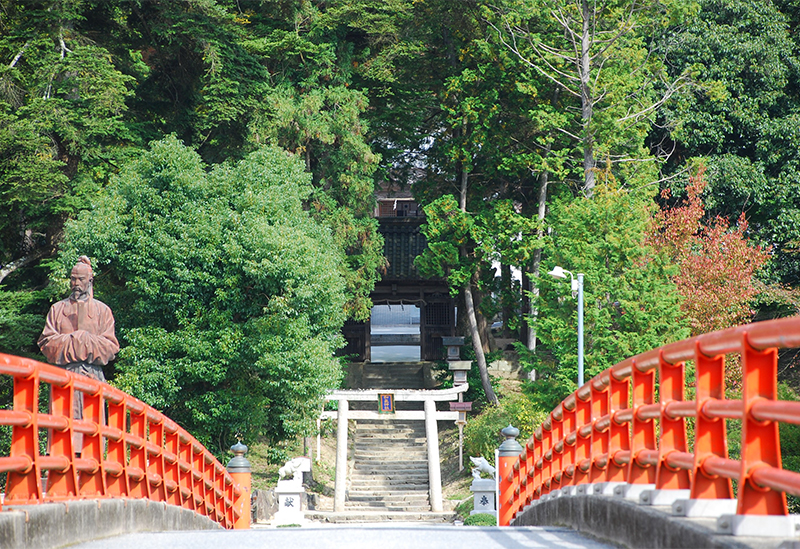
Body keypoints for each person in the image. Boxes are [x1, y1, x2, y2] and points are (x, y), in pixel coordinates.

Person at [38, 256, 119, 447]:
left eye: (80, 279)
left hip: (93, 376)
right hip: (63, 377)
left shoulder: (102, 311)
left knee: (92, 436)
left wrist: (86, 340)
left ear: (90, 281)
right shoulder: (58, 309)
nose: (76, 283)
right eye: (73, 278)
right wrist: (73, 340)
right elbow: (46, 343)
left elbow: (111, 347)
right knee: (62, 433)